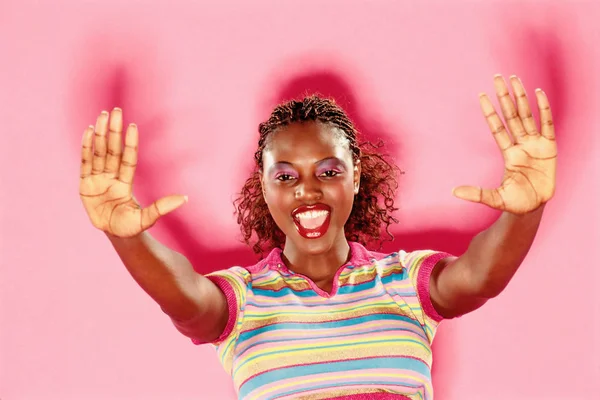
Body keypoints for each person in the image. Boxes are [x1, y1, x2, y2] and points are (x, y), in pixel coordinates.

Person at [79, 74, 556, 400]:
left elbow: (477, 278)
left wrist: (525, 209)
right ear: (263, 188)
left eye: (328, 170)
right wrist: (128, 238)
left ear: (355, 177)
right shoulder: (244, 301)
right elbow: (186, 300)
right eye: (284, 176)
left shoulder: (404, 283)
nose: (307, 188)